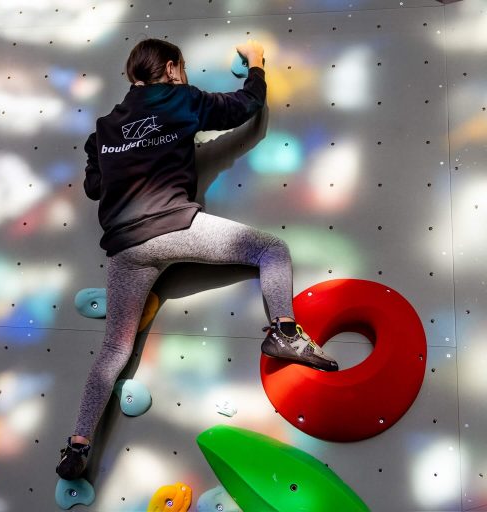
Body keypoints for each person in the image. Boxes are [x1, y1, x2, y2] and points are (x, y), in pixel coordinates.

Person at [56, 38, 338, 481]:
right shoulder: (179, 98)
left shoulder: (104, 130)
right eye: (181, 68)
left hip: (126, 249)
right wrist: (258, 64)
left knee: (114, 349)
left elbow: (95, 188)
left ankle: (78, 445)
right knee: (271, 249)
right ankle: (285, 332)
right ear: (171, 69)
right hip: (174, 227)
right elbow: (244, 106)